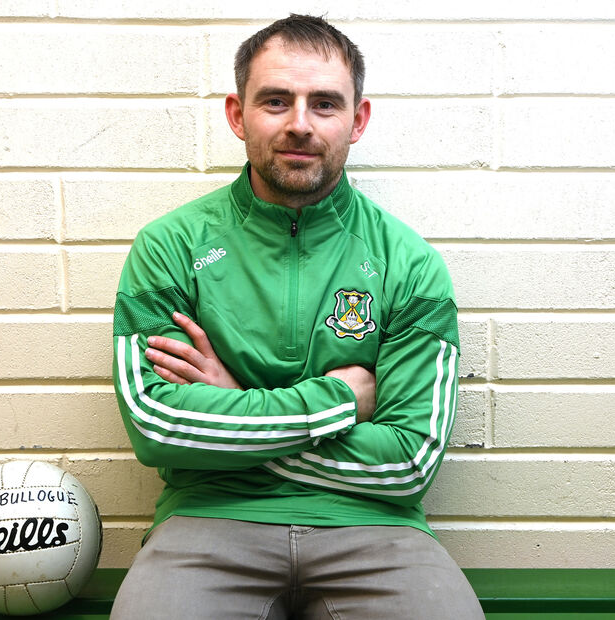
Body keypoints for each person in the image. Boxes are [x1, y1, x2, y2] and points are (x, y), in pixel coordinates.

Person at [110, 14, 484, 619]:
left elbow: (409, 463)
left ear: (357, 120)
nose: (300, 125)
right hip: (209, 519)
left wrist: (232, 408)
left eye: (325, 104)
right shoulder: (170, 247)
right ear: (238, 114)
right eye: (276, 101)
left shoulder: (409, 264)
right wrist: (338, 401)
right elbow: (158, 427)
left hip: (375, 529)